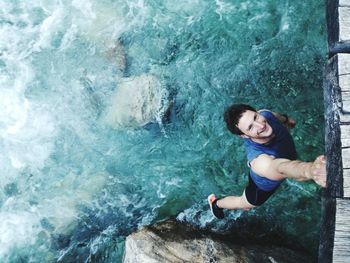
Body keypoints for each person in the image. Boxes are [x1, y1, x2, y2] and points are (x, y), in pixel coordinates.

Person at [208, 104, 327, 219]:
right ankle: (216, 204)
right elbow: (280, 168)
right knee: (245, 204)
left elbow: (281, 118)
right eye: (250, 127)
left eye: (255, 117)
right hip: (261, 188)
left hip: (288, 161)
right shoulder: (258, 160)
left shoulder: (266, 114)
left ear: (257, 112)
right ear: (244, 135)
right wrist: (311, 170)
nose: (260, 125)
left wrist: (287, 121)